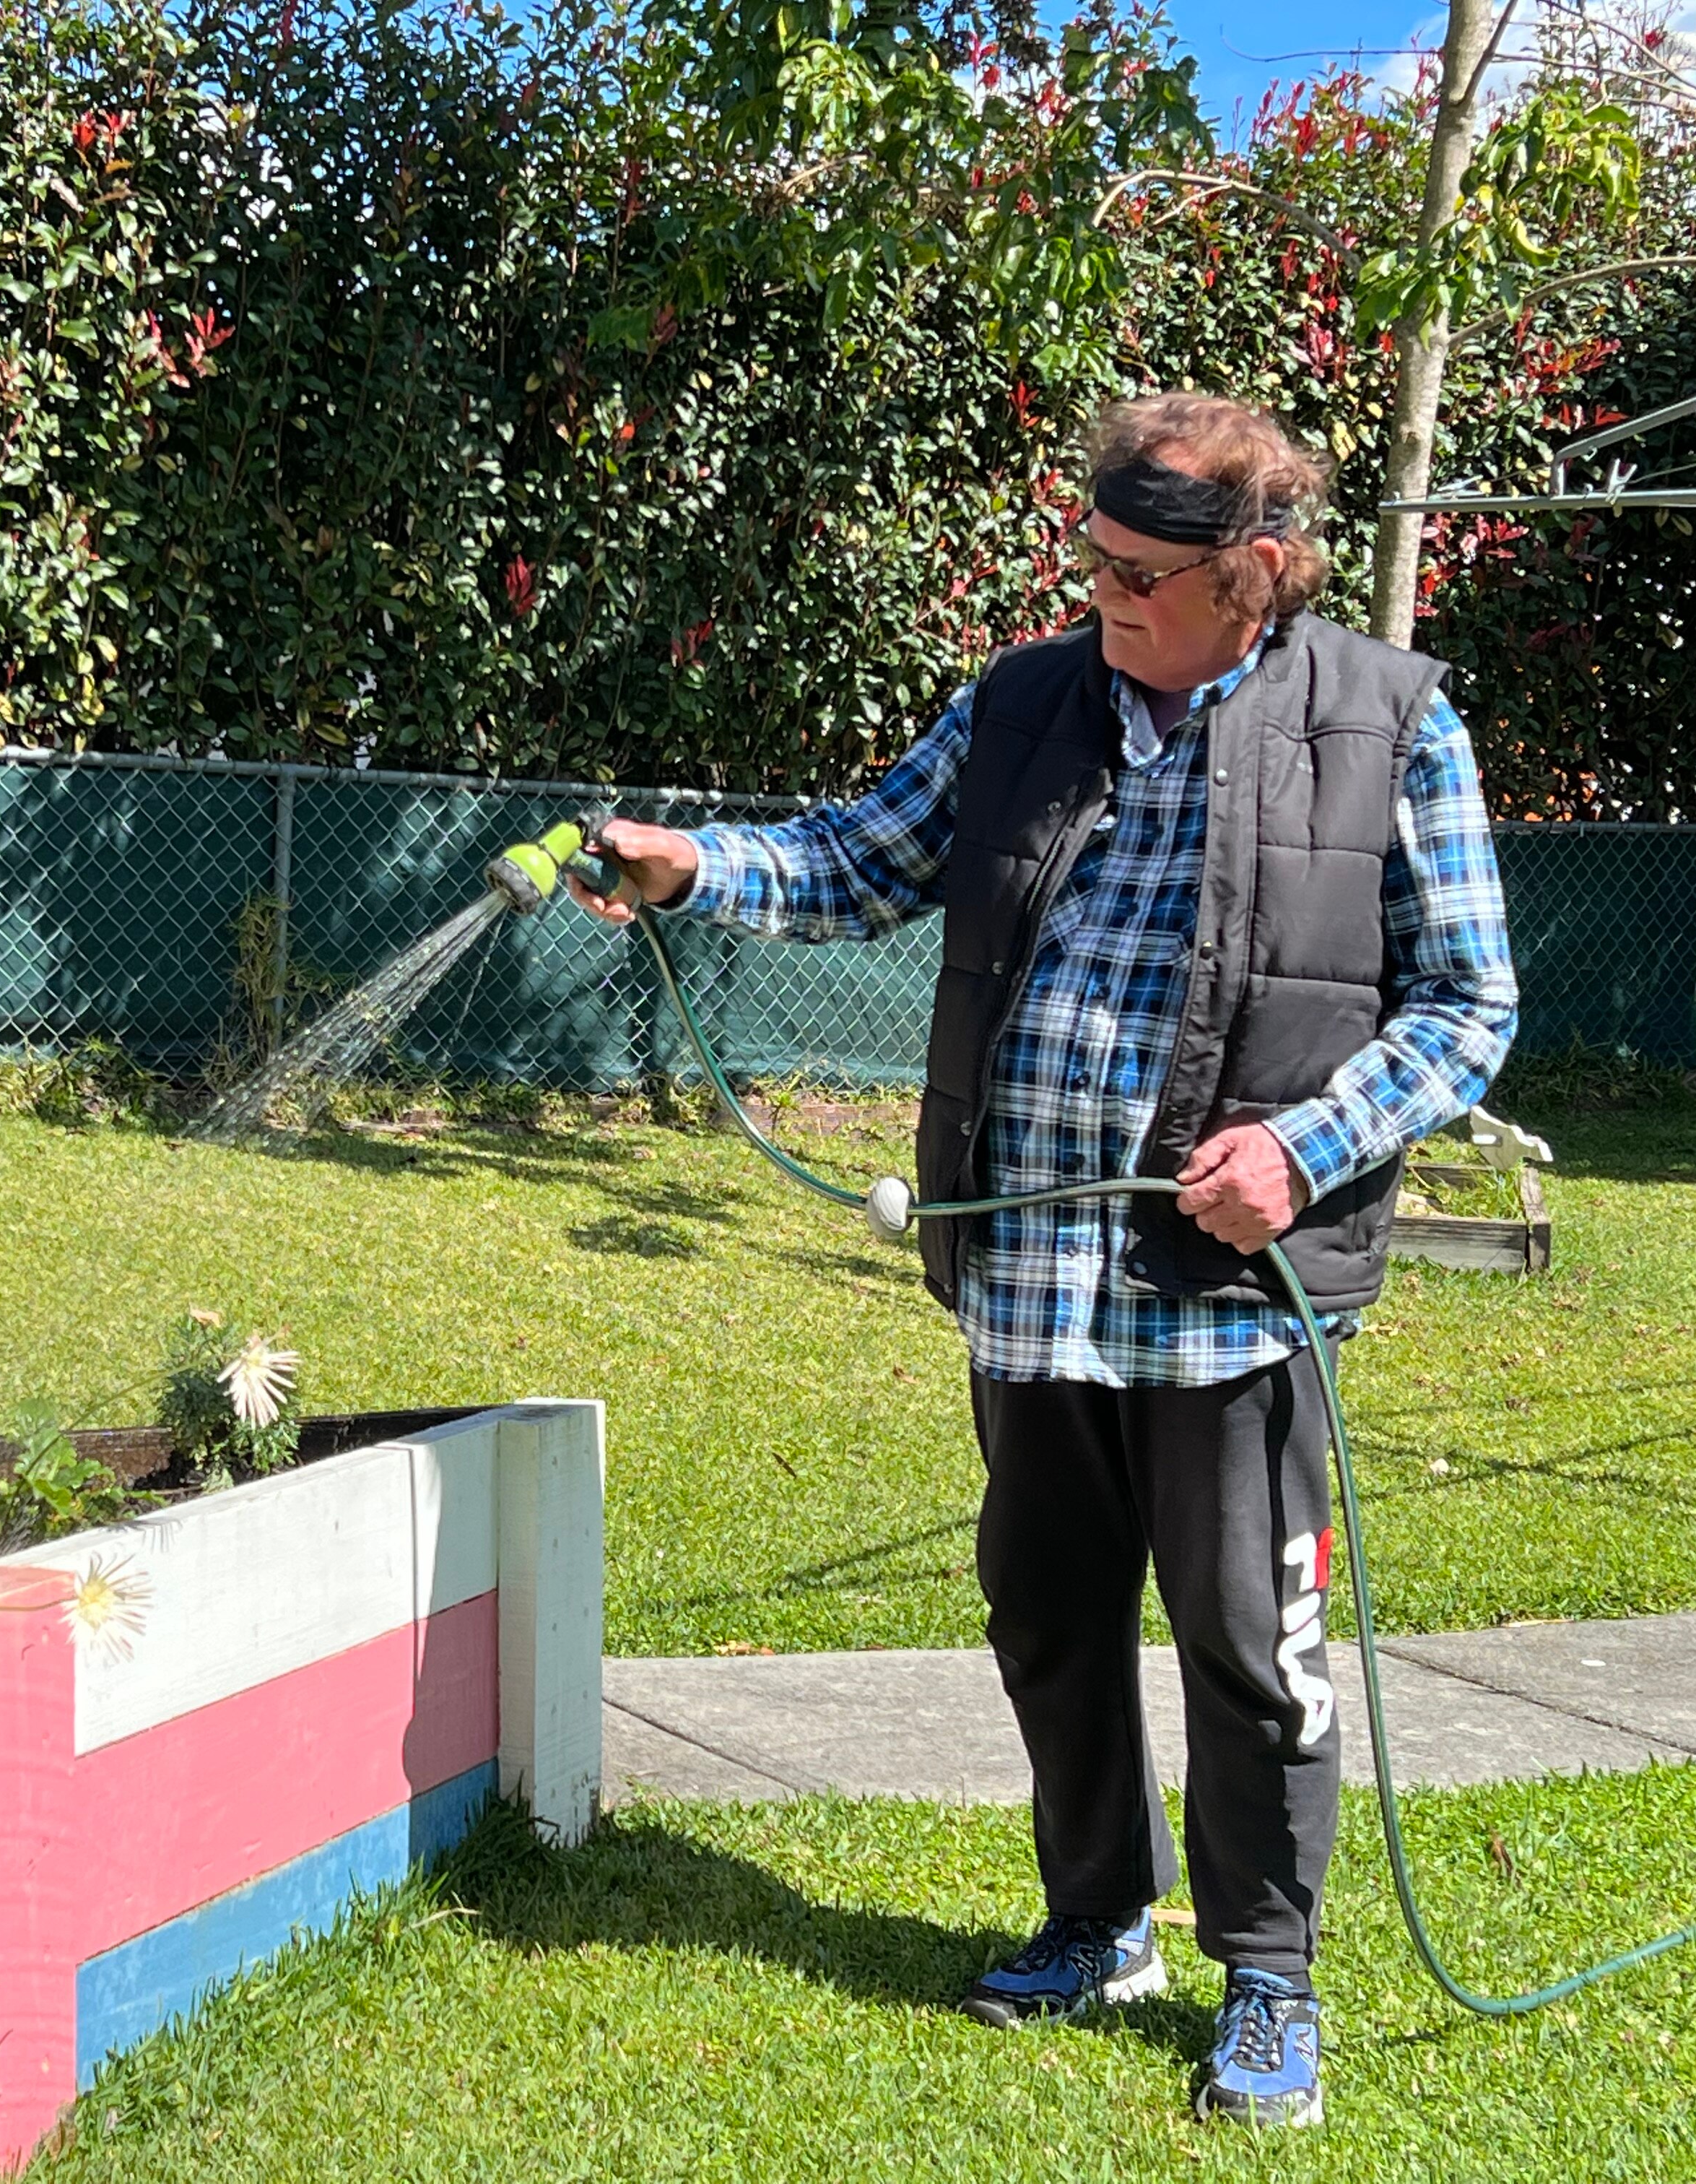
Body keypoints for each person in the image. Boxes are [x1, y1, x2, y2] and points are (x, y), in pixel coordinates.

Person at [577, 393, 1518, 2127]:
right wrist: (696, 864)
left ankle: (1269, 1977)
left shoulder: (1393, 725)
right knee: (1050, 1621)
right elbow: (869, 858)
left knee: (1251, 1643)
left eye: (1143, 575)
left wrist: (1303, 1150)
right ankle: (1098, 1917)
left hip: (1233, 1299)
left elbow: (1469, 1010)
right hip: (1028, 1282)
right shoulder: (1026, 701)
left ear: (1258, 576)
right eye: (1089, 561)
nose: (1103, 597)